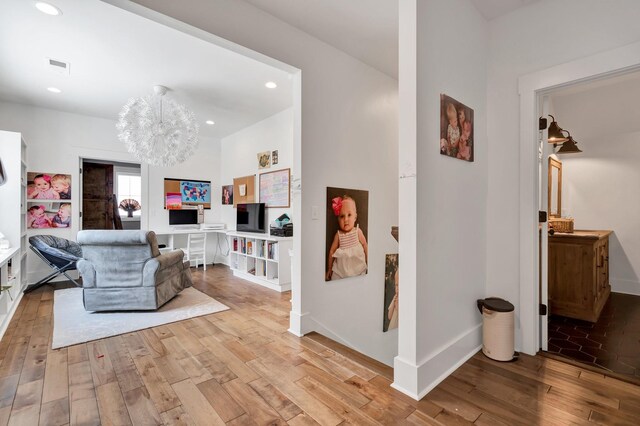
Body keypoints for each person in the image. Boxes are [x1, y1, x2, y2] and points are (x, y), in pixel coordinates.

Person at [326, 195, 368, 281]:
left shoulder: (357, 231)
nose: (345, 219)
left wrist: (368, 261)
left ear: (355, 217)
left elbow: (365, 245)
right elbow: (331, 252)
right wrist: (329, 269)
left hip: (357, 268)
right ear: (338, 219)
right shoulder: (338, 235)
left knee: (361, 280)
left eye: (349, 215)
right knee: (336, 278)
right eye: (342, 216)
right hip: (341, 271)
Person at [387, 266, 399, 330]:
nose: (398, 288)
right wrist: (393, 304)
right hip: (392, 327)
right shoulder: (395, 298)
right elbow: (389, 316)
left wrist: (398, 308)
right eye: (397, 285)